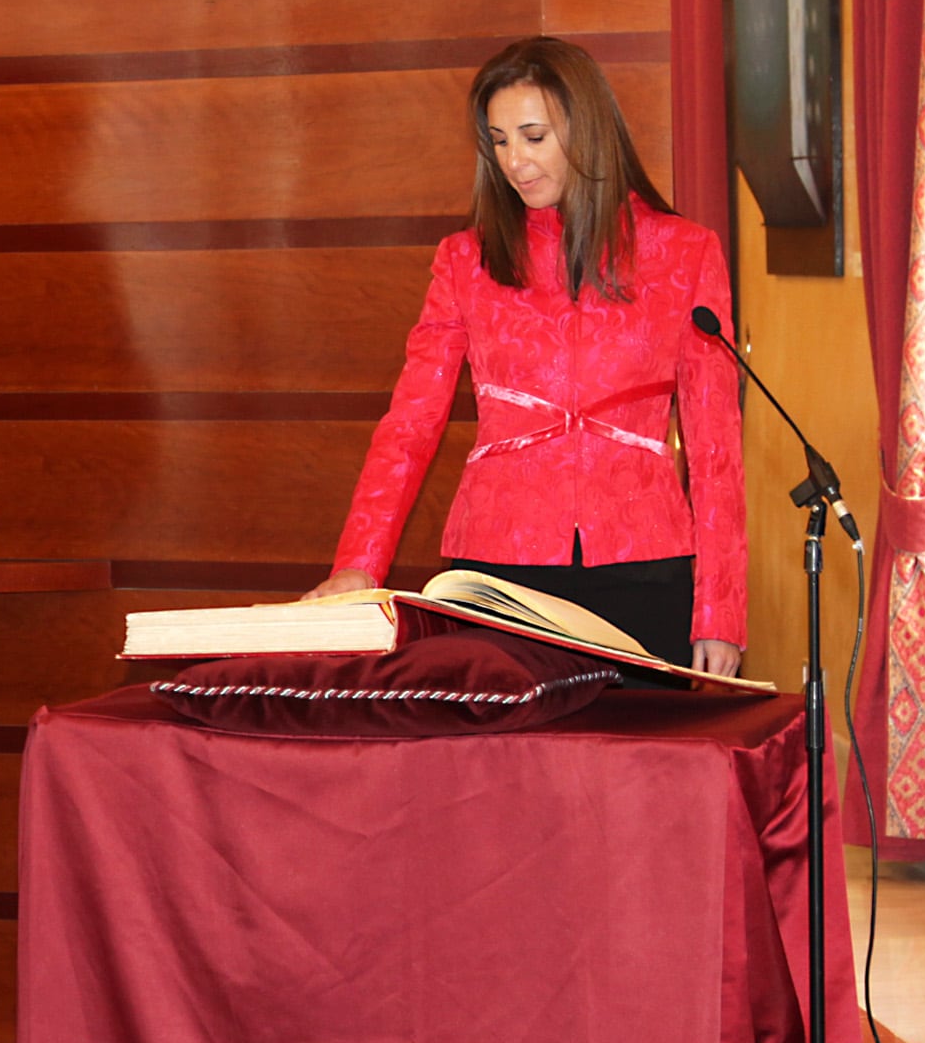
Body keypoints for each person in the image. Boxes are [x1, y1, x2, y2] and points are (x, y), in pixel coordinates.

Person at [306, 36, 745, 676]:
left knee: (634, 768)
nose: (516, 161)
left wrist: (721, 613)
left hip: (644, 565)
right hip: (496, 568)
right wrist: (358, 564)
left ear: (584, 129)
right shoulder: (465, 261)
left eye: (534, 136)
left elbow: (716, 451)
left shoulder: (685, 253)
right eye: (500, 140)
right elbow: (409, 426)